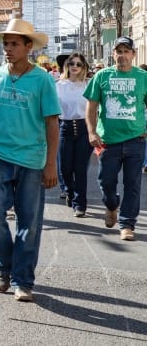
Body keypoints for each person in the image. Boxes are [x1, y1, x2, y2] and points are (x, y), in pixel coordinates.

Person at [0, 18, 60, 302]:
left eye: (14, 44)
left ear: (28, 47)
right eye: (6, 44)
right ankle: (4, 265)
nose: (8, 49)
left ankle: (22, 280)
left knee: (29, 223)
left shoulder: (43, 79)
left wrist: (51, 164)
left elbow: (52, 123)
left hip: (32, 159)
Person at [84, 36, 147, 242]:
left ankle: (127, 224)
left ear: (133, 54)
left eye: (126, 51)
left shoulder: (143, 77)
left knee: (133, 184)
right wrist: (92, 132)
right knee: (106, 181)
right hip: (108, 141)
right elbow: (91, 106)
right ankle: (111, 205)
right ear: (113, 54)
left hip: (135, 140)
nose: (122, 55)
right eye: (118, 51)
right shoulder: (102, 76)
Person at [56, 53, 92, 218]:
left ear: (84, 67)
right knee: (65, 167)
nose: (75, 66)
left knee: (80, 168)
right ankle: (69, 191)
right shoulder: (59, 85)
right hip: (65, 126)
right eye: (72, 63)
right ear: (67, 66)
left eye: (78, 64)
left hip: (84, 127)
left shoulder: (89, 85)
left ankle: (80, 204)